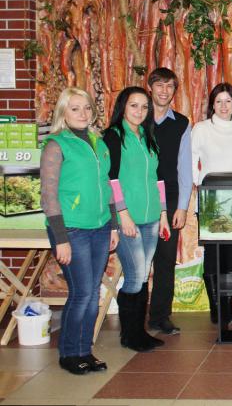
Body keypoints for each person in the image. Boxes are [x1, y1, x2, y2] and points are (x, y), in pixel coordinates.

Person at [41, 88, 119, 374]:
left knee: (92, 293)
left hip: (100, 227)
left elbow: (106, 185)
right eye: (75, 108)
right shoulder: (56, 145)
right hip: (72, 229)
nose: (83, 113)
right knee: (82, 292)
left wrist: (113, 224)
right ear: (63, 112)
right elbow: (48, 195)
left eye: (86, 107)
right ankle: (69, 353)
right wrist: (60, 238)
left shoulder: (98, 142)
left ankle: (85, 350)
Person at [103, 87, 170, 352]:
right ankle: (129, 335)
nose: (139, 111)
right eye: (134, 105)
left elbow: (159, 179)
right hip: (128, 219)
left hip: (151, 217)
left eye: (144, 106)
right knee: (135, 276)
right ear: (123, 107)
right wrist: (122, 215)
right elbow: (111, 179)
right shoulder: (113, 136)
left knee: (143, 276)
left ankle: (138, 332)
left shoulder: (148, 136)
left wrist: (163, 214)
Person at [192, 83, 232, 324]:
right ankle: (216, 308)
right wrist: (201, 187)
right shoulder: (201, 129)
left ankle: (228, 305)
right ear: (212, 105)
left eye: (228, 101)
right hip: (211, 203)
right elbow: (190, 162)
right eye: (219, 101)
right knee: (214, 255)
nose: (224, 106)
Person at [147, 67, 192, 335]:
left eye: (170, 86)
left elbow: (184, 168)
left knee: (165, 259)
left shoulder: (181, 123)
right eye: (160, 85)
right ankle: (135, 316)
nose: (164, 91)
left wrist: (182, 206)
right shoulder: (137, 117)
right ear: (150, 87)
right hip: (141, 196)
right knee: (140, 260)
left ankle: (160, 316)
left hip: (170, 197)